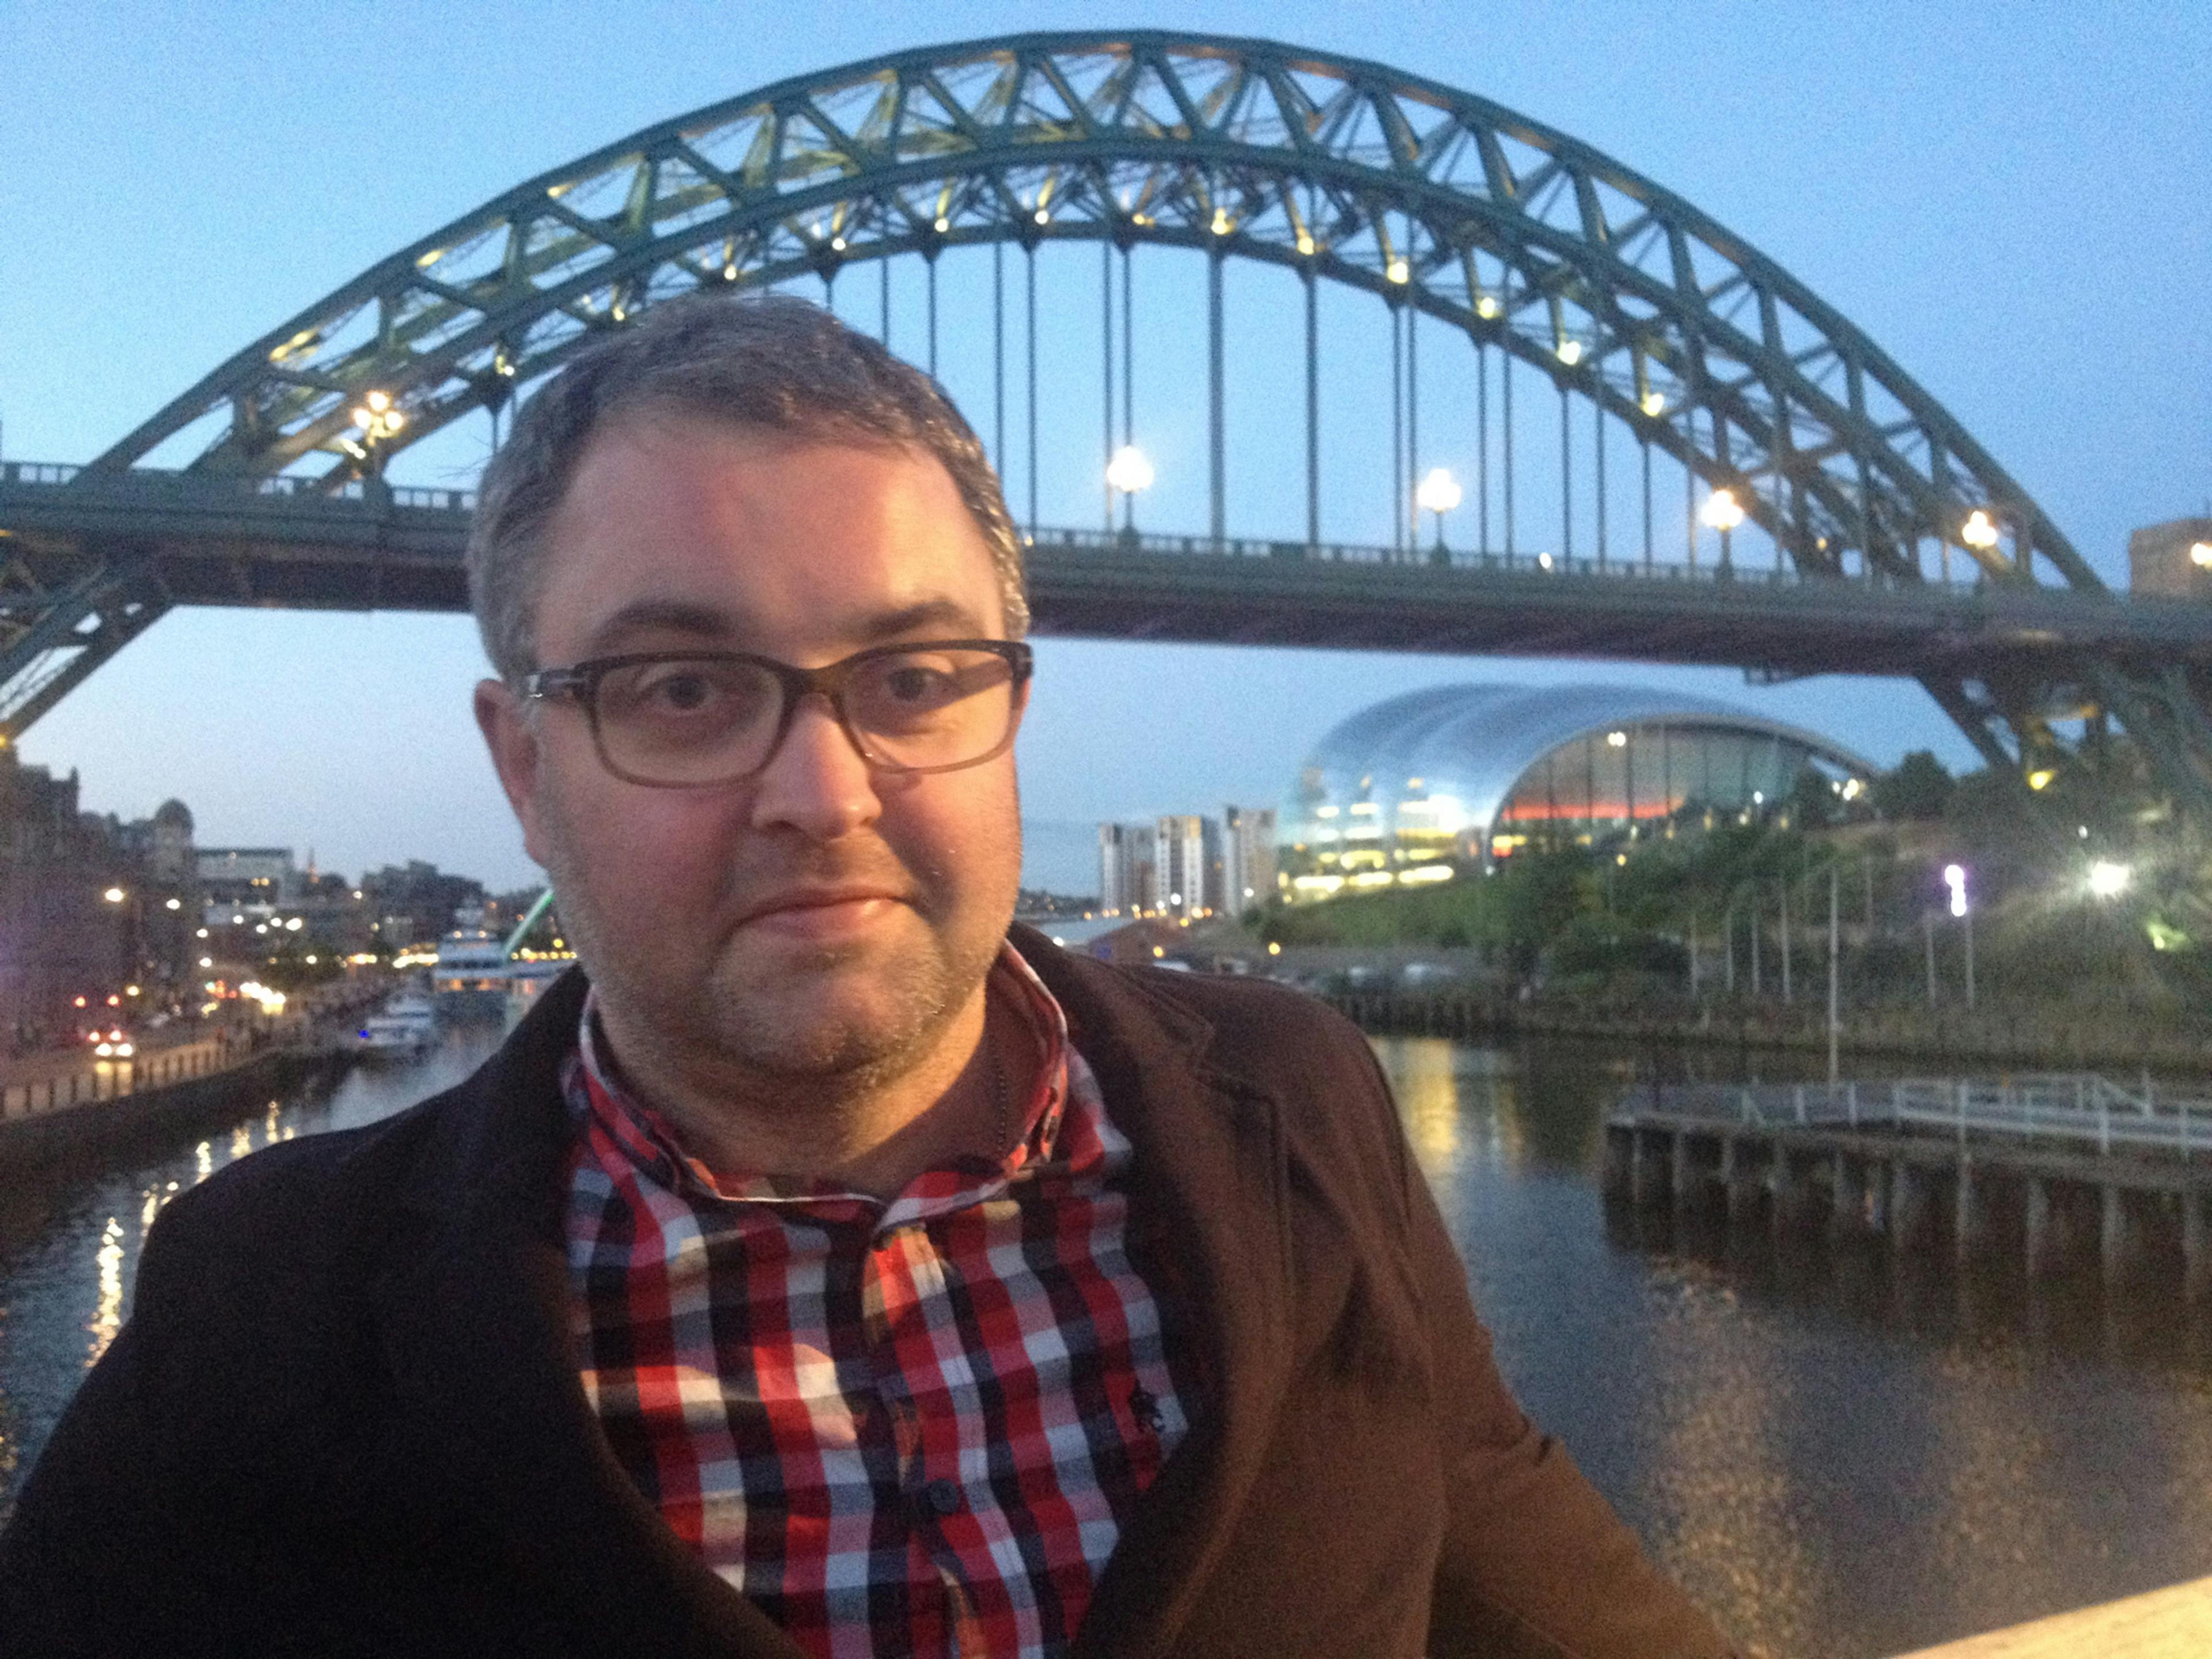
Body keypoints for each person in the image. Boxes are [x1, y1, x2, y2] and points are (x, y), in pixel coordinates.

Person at [0, 294, 1736, 1657]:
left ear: (1011, 713)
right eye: (682, 687)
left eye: (912, 679)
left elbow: (1521, 1565)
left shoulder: (1294, 1098)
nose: (824, 797)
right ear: (525, 769)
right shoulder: (268, 1312)